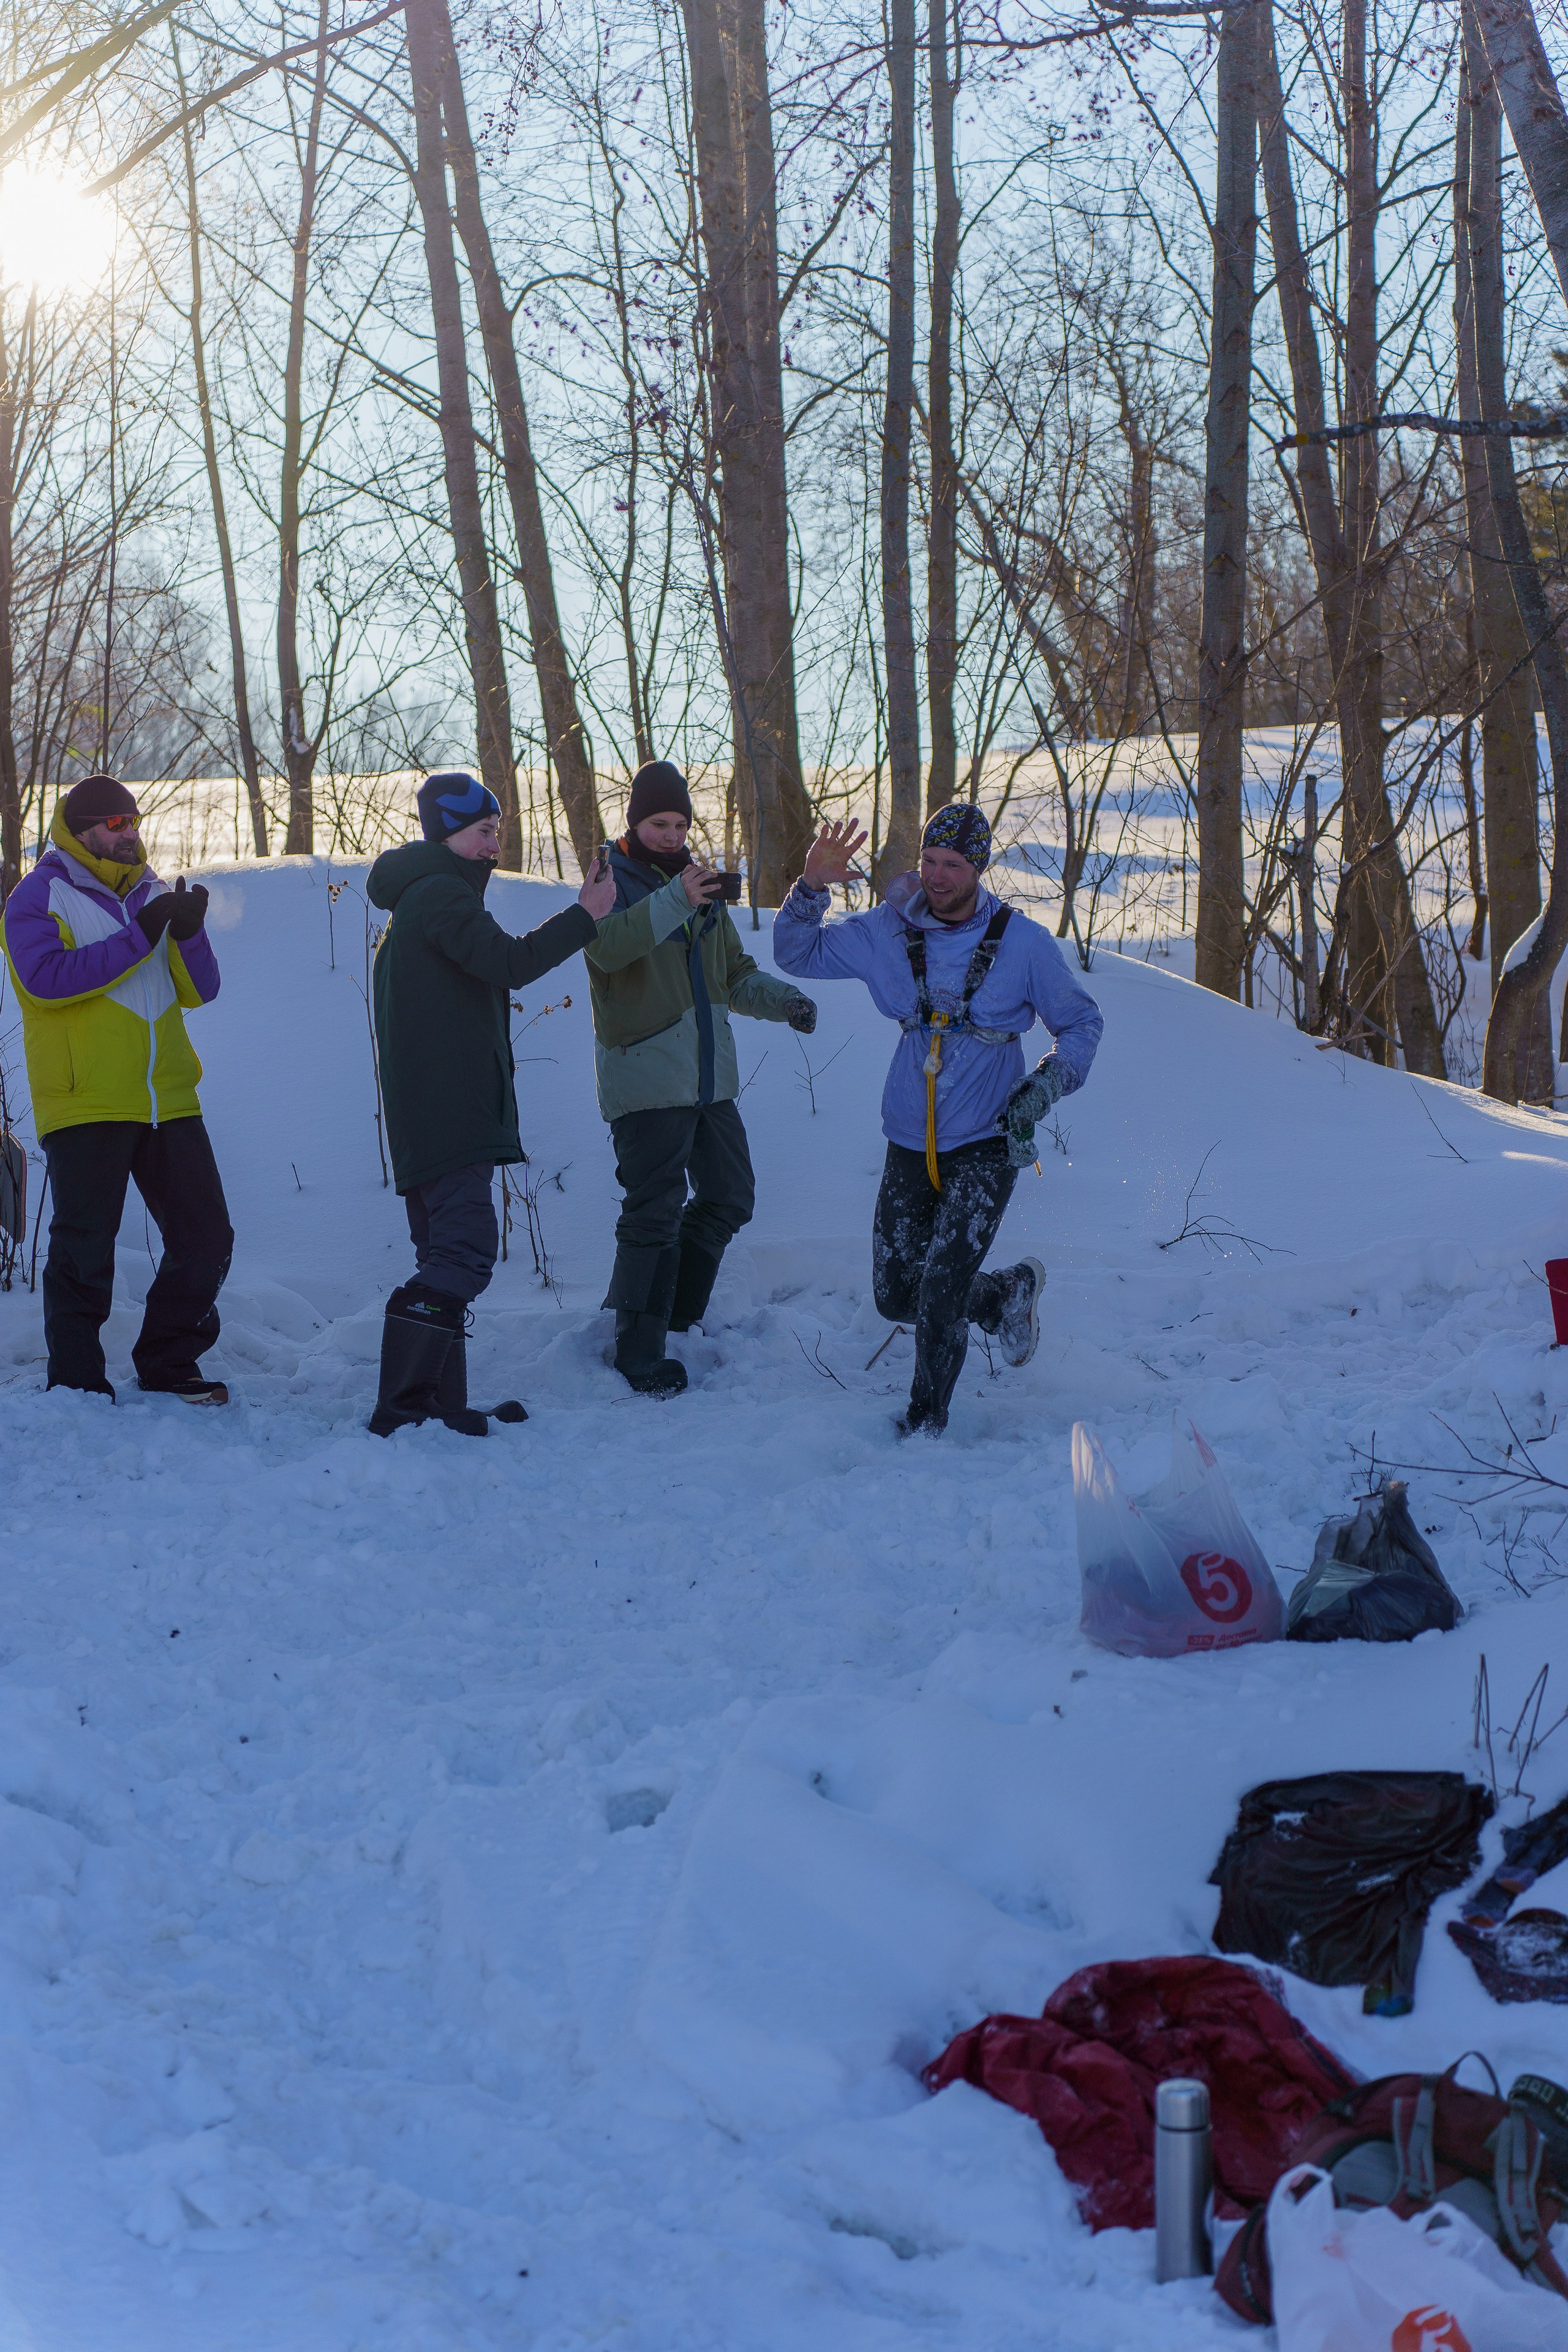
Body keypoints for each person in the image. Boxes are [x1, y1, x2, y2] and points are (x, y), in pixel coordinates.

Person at [773, 801, 1103, 1436]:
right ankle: (1004, 1295)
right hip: (908, 1136)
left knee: (941, 1290)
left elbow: (1082, 1024)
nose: (937, 876)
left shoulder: (1024, 944)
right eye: (929, 860)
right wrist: (810, 886)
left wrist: (1045, 1085)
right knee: (897, 1295)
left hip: (989, 1139)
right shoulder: (886, 929)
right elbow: (797, 954)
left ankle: (926, 1424)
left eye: (953, 864)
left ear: (978, 868)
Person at [365, 768, 616, 1436]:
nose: (494, 846)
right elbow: (510, 963)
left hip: (435, 1114)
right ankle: (403, 1408)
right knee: (465, 1251)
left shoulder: (421, 898)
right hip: (450, 1113)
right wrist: (585, 916)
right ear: (447, 834)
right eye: (483, 831)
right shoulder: (439, 896)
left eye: (497, 831)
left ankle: (437, 1407)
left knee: (445, 1252)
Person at [584, 758, 816, 1397]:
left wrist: (786, 1001)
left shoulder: (697, 886)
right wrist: (675, 899)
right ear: (635, 822)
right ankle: (637, 1348)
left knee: (729, 1196)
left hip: (709, 1079)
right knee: (654, 1209)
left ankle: (676, 1319)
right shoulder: (610, 878)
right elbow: (605, 948)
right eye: (659, 823)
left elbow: (733, 973)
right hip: (646, 1074)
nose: (671, 834)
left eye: (680, 824)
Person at [0, 773, 232, 1404]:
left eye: (135, 821)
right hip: (86, 1099)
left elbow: (201, 991)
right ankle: (76, 1383)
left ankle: (169, 1363)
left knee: (207, 1239)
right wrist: (141, 934)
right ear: (82, 833)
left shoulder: (152, 890)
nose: (131, 832)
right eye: (116, 823)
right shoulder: (37, 894)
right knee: (84, 1248)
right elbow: (45, 980)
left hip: (168, 1098)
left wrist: (188, 933)